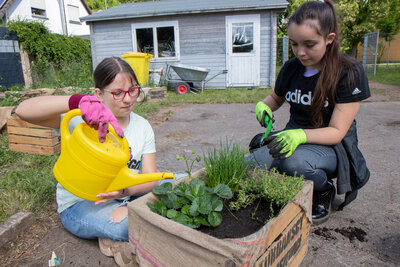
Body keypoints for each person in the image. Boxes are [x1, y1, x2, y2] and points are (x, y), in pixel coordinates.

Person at [15, 57, 168, 266]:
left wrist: (124, 193)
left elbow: (151, 178)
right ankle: (118, 231)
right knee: (132, 225)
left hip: (122, 194)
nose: (127, 99)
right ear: (98, 94)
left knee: (177, 182)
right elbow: (23, 110)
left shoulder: (142, 126)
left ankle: (122, 228)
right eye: (117, 93)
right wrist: (77, 101)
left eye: (133, 90)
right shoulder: (81, 121)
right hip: (81, 203)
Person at [246, 0, 370, 225]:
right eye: (294, 44)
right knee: (250, 166)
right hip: (293, 138)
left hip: (330, 145)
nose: (300, 52)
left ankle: (323, 191)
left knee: (292, 164)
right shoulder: (292, 67)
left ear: (329, 39)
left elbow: (337, 131)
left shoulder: (349, 72)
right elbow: (276, 97)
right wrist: (263, 105)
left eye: (309, 44)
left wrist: (300, 135)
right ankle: (291, 188)